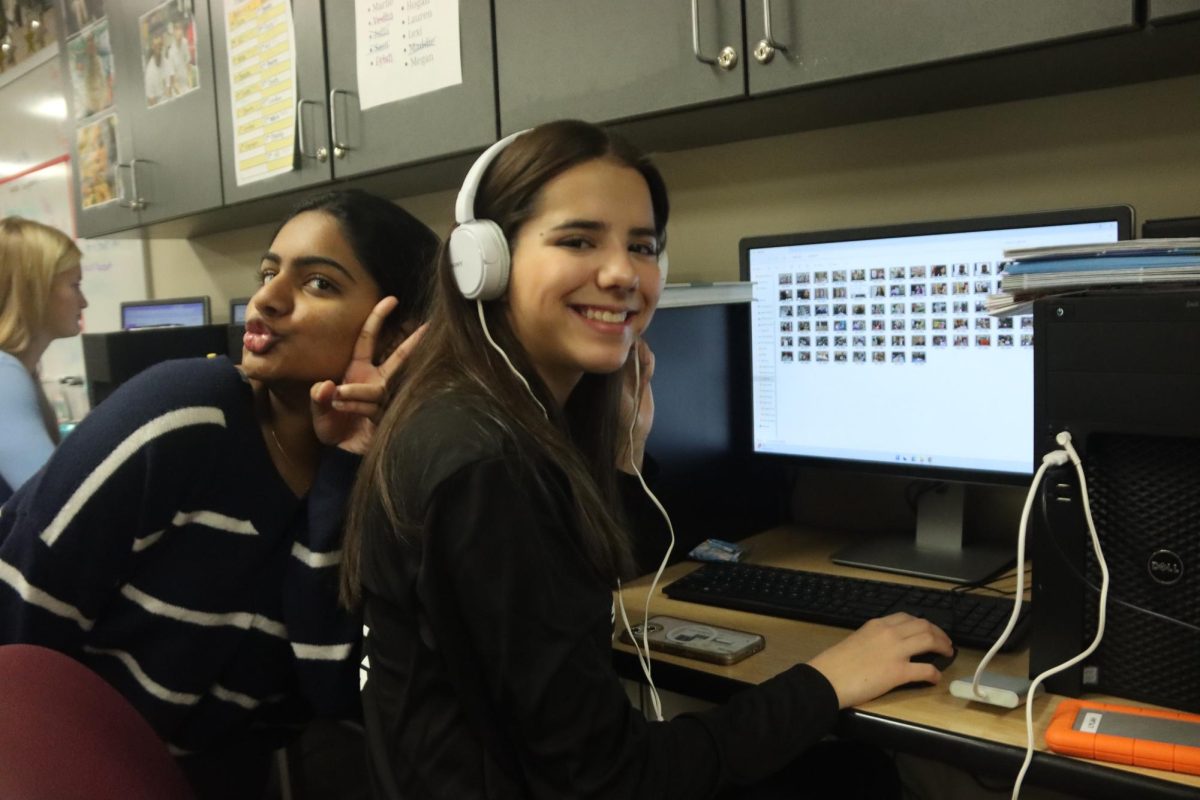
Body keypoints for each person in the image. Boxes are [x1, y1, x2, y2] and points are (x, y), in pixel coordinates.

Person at [341, 120, 954, 798]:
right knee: (856, 775)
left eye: (642, 246)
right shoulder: (487, 463)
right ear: (485, 261)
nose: (623, 273)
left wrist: (624, 465)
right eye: (578, 240)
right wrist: (830, 677)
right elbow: (614, 780)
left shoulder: (464, 417)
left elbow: (566, 595)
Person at [0, 190, 439, 799]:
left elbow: (328, 688)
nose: (267, 298)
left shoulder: (383, 479)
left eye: (317, 283)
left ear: (399, 333)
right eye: (268, 272)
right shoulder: (185, 411)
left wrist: (343, 467)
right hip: (55, 767)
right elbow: (20, 628)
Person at [0, 217, 86, 503]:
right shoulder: (4, 374)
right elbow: (56, 504)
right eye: (74, 285)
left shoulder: (18, 370)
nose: (83, 301)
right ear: (34, 290)